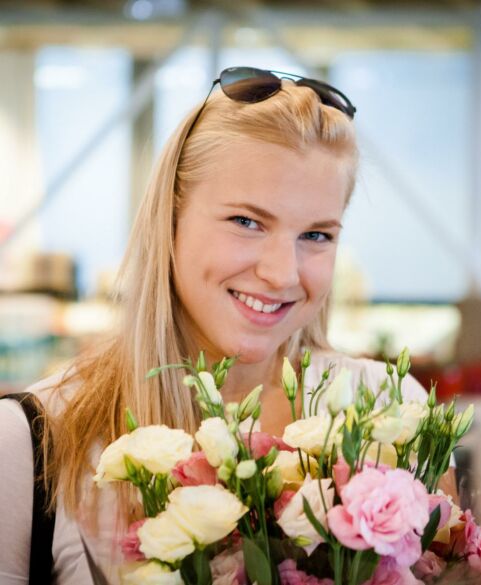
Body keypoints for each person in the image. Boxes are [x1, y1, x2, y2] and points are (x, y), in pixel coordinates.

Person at [0, 67, 433, 584]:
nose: (281, 273)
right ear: (171, 220)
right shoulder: (34, 441)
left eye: (316, 235)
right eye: (247, 222)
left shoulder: (392, 411)